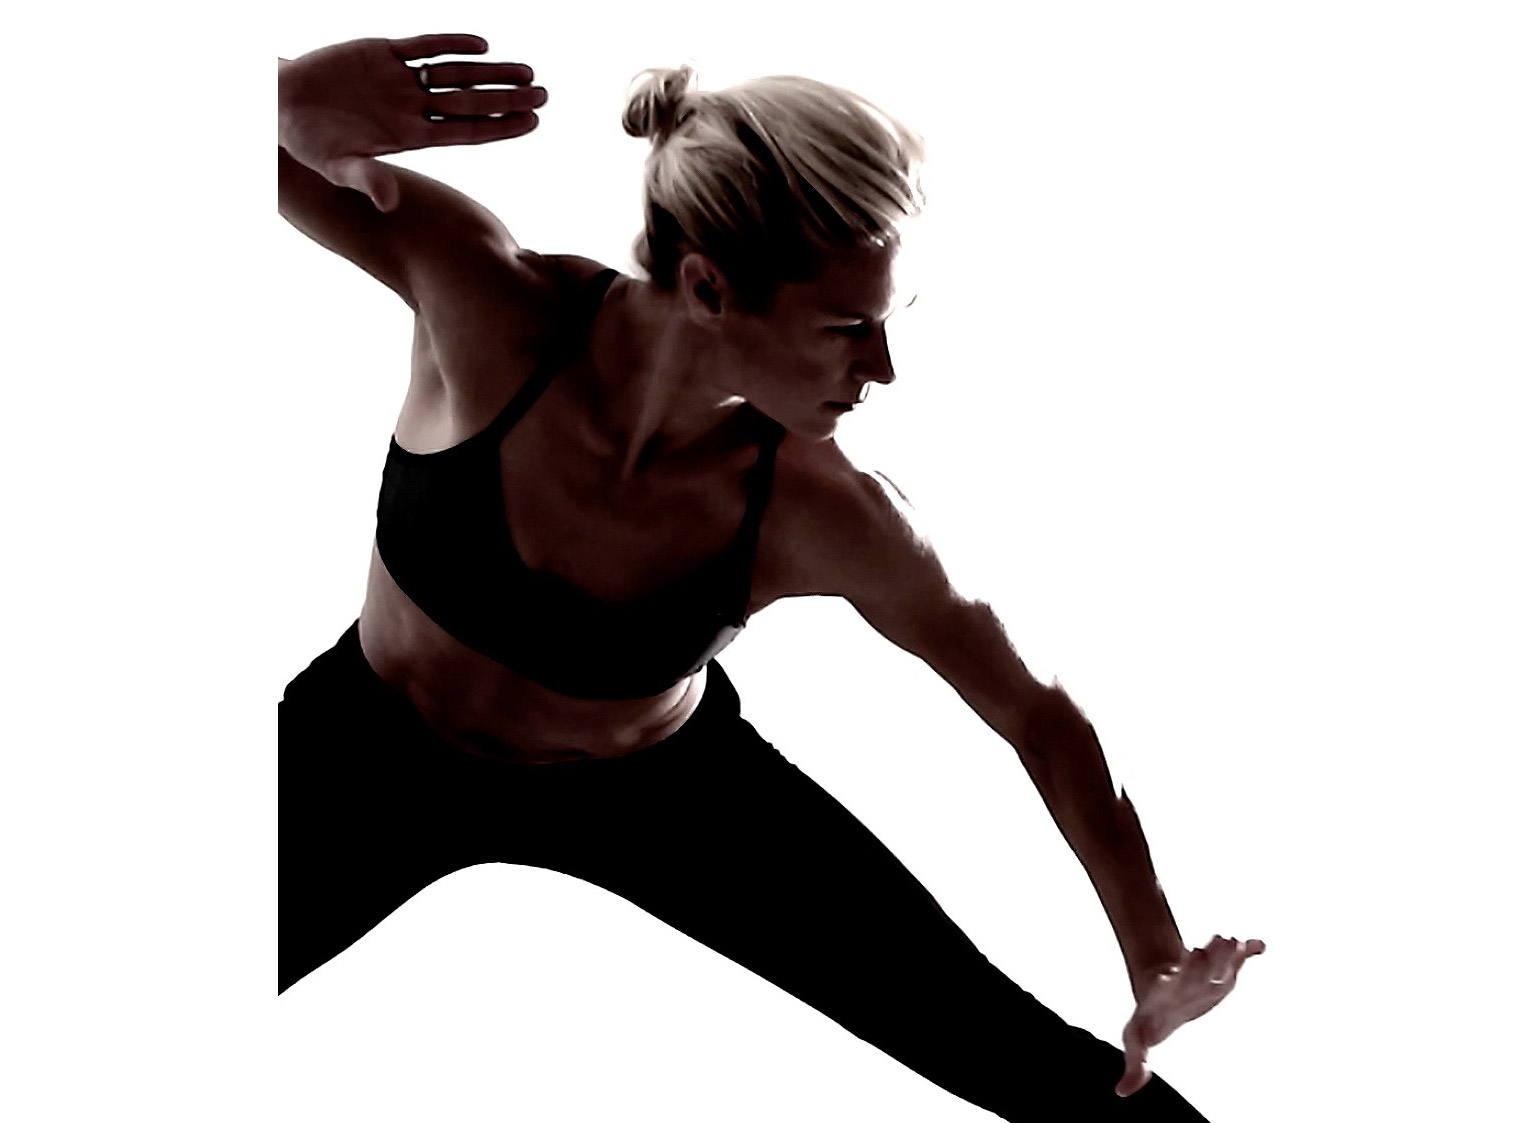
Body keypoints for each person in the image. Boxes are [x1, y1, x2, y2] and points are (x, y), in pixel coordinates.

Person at [277, 32, 1264, 1120]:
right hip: (370, 753)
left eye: (890, 322)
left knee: (1022, 1057)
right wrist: (271, 94)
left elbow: (1036, 710)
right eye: (848, 327)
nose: (883, 368)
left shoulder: (826, 510)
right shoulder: (490, 308)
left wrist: (1153, 947)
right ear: (708, 285)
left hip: (662, 796)